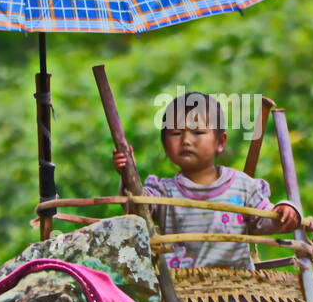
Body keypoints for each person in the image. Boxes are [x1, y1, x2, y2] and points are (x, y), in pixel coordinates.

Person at [113, 91, 300, 270]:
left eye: (198, 132)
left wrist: (286, 211)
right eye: (176, 133)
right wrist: (128, 174)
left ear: (220, 142)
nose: (186, 140)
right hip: (181, 293)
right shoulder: (163, 191)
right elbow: (138, 209)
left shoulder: (242, 186)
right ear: (164, 143)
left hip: (237, 292)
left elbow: (267, 219)